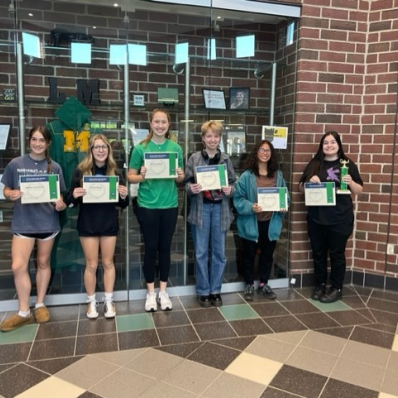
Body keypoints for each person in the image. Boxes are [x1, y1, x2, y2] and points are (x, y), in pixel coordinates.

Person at [0, 126, 67, 332]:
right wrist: (10, 194)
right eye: (34, 139)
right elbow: (6, 188)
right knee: (18, 266)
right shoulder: (16, 164)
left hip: (47, 222)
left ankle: (39, 304)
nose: (37, 144)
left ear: (48, 144)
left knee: (43, 262)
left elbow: (60, 196)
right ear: (29, 141)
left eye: (42, 140)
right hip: (24, 222)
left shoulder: (54, 167)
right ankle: (23, 311)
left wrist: (60, 204)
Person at [64, 134, 129, 319]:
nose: (101, 150)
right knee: (91, 265)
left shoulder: (115, 173)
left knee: (108, 263)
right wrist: (74, 195)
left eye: (104, 147)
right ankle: (91, 302)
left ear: (108, 150)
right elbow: (69, 201)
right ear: (90, 150)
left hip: (108, 223)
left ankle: (109, 301)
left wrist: (123, 195)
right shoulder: (80, 172)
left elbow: (124, 205)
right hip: (88, 224)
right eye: (97, 147)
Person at [128, 108, 184, 312]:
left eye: (164, 122)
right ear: (150, 124)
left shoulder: (175, 148)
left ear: (169, 125)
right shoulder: (140, 148)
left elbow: (179, 179)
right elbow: (130, 176)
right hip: (148, 205)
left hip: (169, 205)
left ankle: (163, 292)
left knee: (165, 248)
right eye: (156, 122)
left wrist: (179, 174)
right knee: (151, 248)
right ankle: (150, 293)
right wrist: (142, 175)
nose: (160, 125)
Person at [299, 131, 363, 303]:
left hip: (340, 218)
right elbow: (300, 188)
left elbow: (358, 190)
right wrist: (308, 183)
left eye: (332, 142)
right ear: (321, 146)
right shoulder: (314, 164)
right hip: (316, 217)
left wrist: (350, 182)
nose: (329, 145)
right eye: (325, 143)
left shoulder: (347, 164)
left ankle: (336, 288)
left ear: (338, 145)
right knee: (318, 253)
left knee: (337, 254)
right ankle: (319, 285)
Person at [184, 121, 236, 307]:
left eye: (216, 136)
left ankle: (216, 290)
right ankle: (203, 291)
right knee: (200, 252)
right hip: (201, 209)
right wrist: (192, 188)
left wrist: (231, 190)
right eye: (209, 136)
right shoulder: (194, 158)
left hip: (220, 210)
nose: (212, 139)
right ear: (203, 138)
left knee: (219, 253)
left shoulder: (226, 159)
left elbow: (233, 184)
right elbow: (186, 185)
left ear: (220, 138)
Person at [233, 140, 288, 302]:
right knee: (248, 255)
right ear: (256, 152)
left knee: (267, 255)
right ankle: (249, 283)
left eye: (268, 151)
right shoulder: (246, 176)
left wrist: (283, 205)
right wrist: (251, 206)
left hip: (271, 223)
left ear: (272, 154)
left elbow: (285, 196)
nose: (265, 153)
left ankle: (264, 284)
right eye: (262, 150)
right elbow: (238, 199)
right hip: (251, 223)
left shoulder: (278, 175)